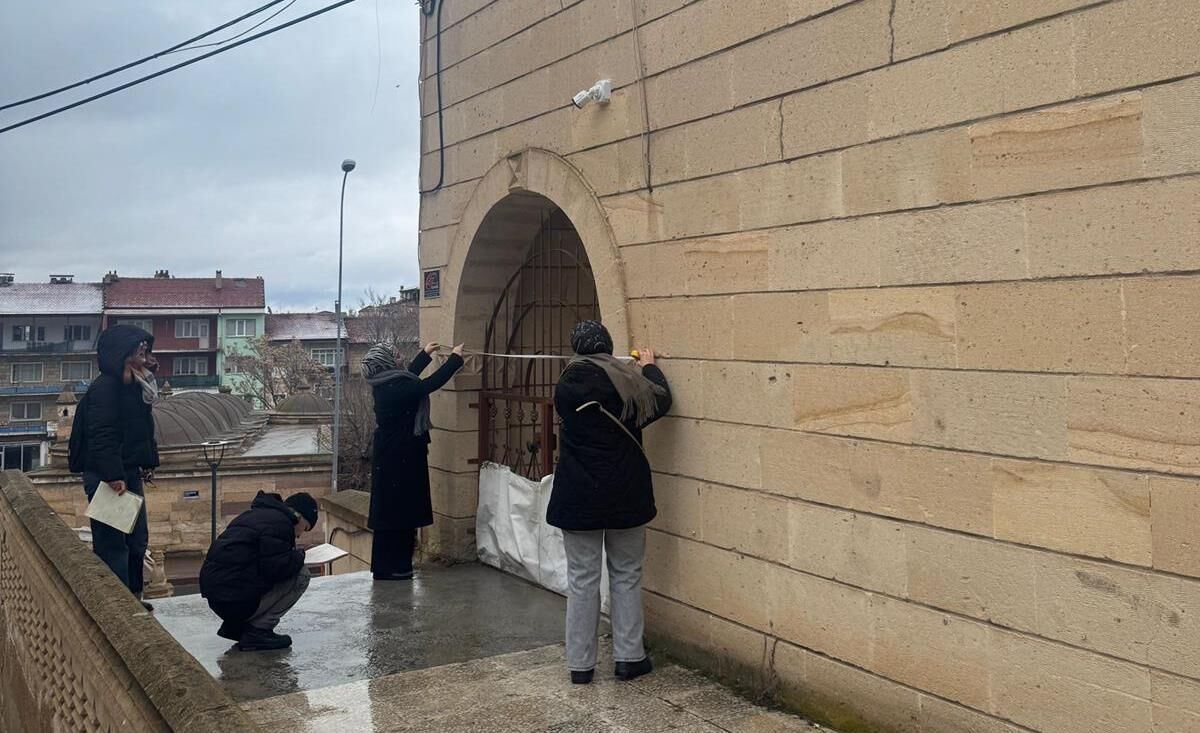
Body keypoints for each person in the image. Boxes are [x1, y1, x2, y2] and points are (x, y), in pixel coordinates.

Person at [546, 320, 672, 685]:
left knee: (583, 581)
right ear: (608, 345)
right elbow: (661, 400)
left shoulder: (567, 384)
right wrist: (648, 367)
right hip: (625, 493)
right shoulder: (628, 382)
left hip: (579, 496)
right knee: (627, 574)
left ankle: (581, 666)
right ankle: (629, 657)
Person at [71, 324, 160, 610]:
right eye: (139, 350)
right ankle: (118, 606)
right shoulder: (106, 388)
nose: (145, 355)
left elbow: (141, 431)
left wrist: (145, 464)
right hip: (108, 476)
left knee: (136, 540)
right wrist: (113, 475)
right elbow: (102, 433)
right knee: (114, 545)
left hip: (127, 471)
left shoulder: (134, 384)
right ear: (123, 353)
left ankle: (133, 597)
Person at [361, 341, 465, 580]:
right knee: (398, 514)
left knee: (396, 512)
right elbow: (427, 385)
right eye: (394, 356)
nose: (398, 357)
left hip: (396, 454)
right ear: (386, 363)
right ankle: (395, 567)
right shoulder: (392, 389)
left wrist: (425, 354)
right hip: (398, 457)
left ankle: (394, 566)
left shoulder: (387, 382)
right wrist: (455, 361)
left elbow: (408, 376)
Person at [199, 491, 319, 651]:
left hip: (218, 598)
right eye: (305, 528)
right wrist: (300, 555)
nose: (299, 535)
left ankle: (237, 626)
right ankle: (259, 632)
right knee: (302, 575)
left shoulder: (254, 515)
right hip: (232, 601)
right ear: (299, 517)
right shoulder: (281, 524)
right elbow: (276, 570)